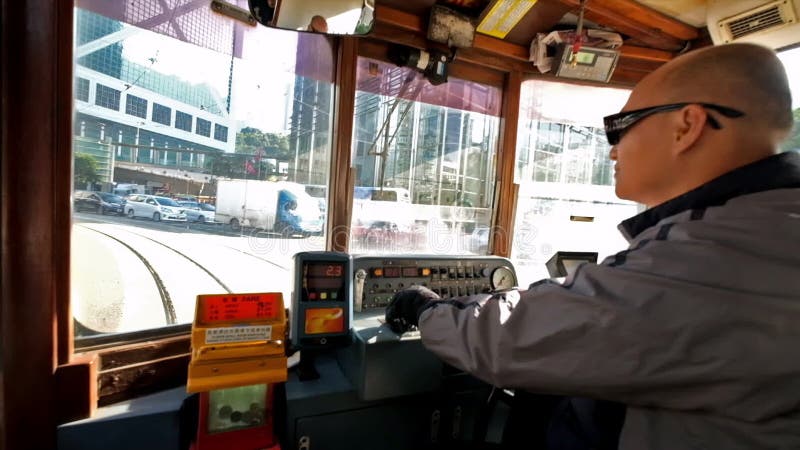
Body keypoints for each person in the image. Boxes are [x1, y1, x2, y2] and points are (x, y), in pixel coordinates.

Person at [386, 42, 800, 449]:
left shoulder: (711, 254)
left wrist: (425, 308)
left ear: (686, 126)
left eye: (619, 127)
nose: (613, 150)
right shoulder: (762, 225)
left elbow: (506, 338)